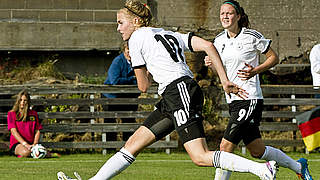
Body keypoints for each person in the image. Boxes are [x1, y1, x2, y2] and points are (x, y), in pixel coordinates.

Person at [57, 0, 277, 179]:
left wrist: (141, 64)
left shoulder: (135, 39)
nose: (118, 28)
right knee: (132, 145)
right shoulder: (167, 33)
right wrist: (224, 79)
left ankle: (261, 169)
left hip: (178, 92)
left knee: (200, 157)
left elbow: (143, 86)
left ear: (135, 21)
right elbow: (208, 46)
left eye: (120, 22)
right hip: (175, 94)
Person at [204, 1, 313, 180]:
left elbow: (274, 58)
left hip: (249, 98)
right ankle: (298, 166)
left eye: (229, 13)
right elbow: (221, 72)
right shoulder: (218, 41)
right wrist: (212, 65)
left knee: (224, 148)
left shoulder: (251, 36)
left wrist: (255, 70)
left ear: (238, 16)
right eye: (222, 13)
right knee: (257, 150)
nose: (225, 16)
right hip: (233, 100)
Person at [102, 41, 140, 141]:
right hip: (111, 97)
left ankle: (128, 148)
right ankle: (110, 147)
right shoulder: (118, 61)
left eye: (132, 50)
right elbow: (115, 81)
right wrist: (132, 79)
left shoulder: (136, 62)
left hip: (127, 97)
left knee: (129, 121)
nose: (130, 52)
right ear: (124, 50)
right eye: (128, 50)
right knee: (110, 121)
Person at [7, 89, 43, 158]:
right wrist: (25, 144)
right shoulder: (11, 114)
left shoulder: (33, 114)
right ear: (18, 101)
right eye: (20, 100)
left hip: (31, 144)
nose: (22, 102)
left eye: (25, 100)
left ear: (28, 102)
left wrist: (35, 144)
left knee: (44, 153)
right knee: (26, 152)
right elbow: (14, 132)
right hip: (18, 144)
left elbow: (37, 130)